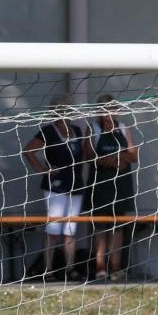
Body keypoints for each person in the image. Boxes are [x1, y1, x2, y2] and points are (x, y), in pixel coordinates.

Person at [22, 108, 93, 281]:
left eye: (68, 111)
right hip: (55, 186)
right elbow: (28, 151)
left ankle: (70, 269)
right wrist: (43, 171)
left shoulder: (76, 130)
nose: (64, 115)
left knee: (70, 230)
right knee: (53, 229)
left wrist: (89, 138)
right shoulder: (48, 131)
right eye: (61, 112)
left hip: (75, 186)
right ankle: (48, 269)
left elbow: (83, 156)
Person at [89, 97, 139, 282]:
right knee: (100, 226)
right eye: (106, 109)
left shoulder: (124, 128)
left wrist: (119, 158)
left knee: (118, 226)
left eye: (113, 108)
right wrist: (111, 160)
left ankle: (116, 267)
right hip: (100, 184)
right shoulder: (93, 129)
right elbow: (89, 155)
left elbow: (133, 155)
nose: (110, 112)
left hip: (121, 184)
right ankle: (100, 267)